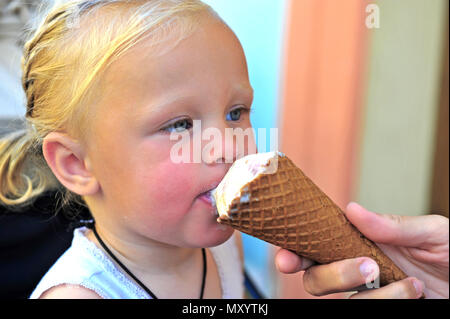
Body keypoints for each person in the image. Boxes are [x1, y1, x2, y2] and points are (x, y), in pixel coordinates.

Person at [0, 0, 447, 299]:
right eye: (179, 124)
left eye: (236, 112)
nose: (228, 145)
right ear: (77, 164)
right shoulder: (81, 294)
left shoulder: (221, 246)